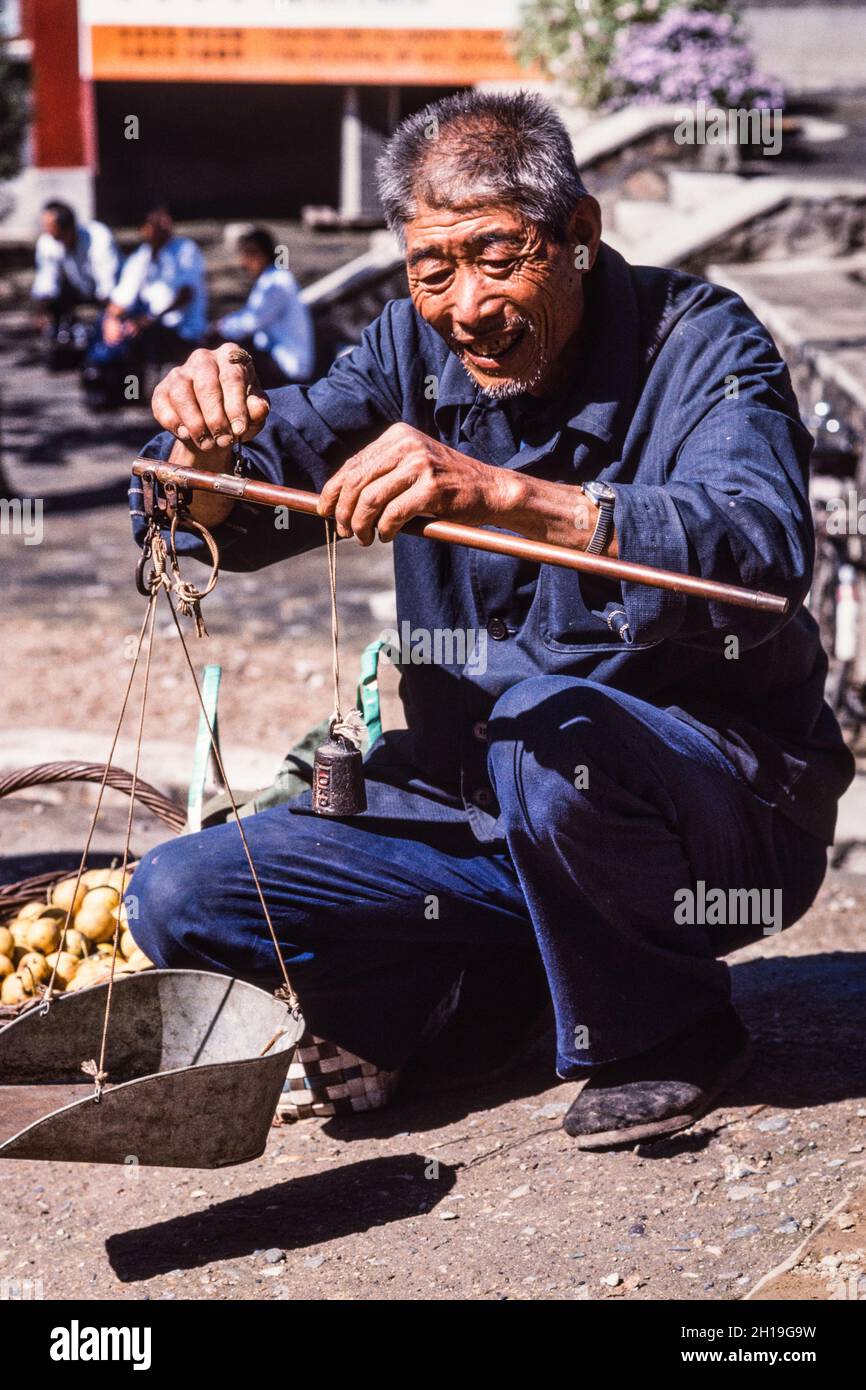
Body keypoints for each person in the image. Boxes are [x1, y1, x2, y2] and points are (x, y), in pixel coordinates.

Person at [128, 91, 855, 1150]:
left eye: (496, 258)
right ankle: (499, 989)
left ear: (579, 236)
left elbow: (758, 546)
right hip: (474, 817)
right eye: (433, 271)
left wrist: (506, 495)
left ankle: (665, 1030)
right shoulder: (404, 353)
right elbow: (254, 483)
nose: (464, 305)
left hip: (714, 819)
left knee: (547, 733)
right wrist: (200, 455)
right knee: (182, 894)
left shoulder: (700, 341)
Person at [83, 207, 207, 410]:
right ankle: (114, 387)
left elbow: (186, 294)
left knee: (142, 330)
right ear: (143, 230)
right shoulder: (141, 257)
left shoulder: (185, 250)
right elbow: (122, 296)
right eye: (154, 223)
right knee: (106, 325)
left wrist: (150, 318)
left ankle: (139, 390)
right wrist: (110, 319)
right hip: (151, 322)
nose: (163, 226)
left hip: (180, 325)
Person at [215, 227, 315, 387]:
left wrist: (220, 327)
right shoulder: (270, 279)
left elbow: (250, 323)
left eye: (248, 254)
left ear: (262, 254)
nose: (243, 262)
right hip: (277, 359)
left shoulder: (276, 283)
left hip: (288, 366)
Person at [31, 200, 119, 369]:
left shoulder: (99, 238)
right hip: (77, 286)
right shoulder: (48, 241)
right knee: (53, 301)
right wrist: (41, 312)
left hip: (108, 290)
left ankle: (102, 355)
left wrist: (111, 317)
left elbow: (107, 284)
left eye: (49, 225)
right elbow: (46, 280)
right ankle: (63, 347)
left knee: (109, 329)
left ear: (66, 227)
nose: (45, 229)